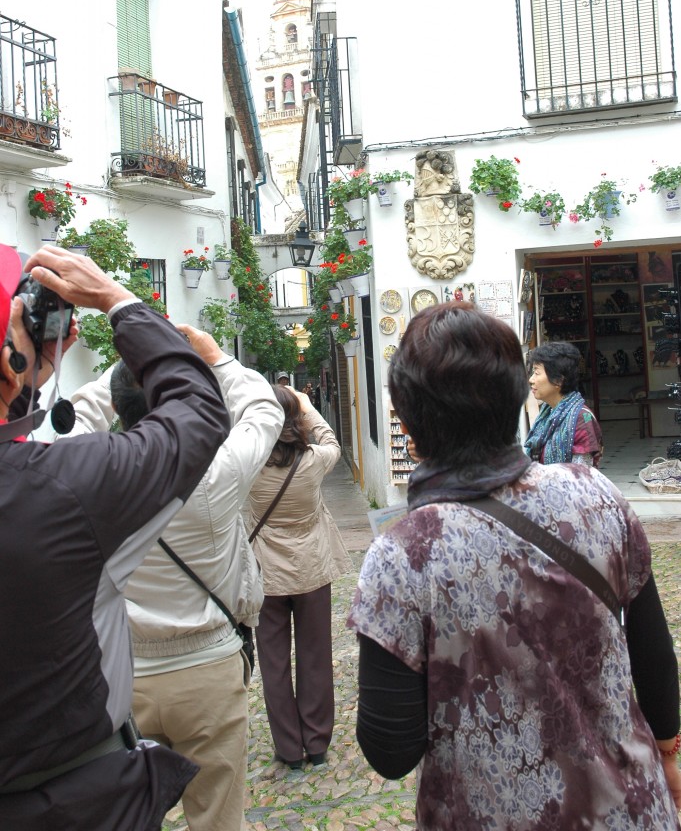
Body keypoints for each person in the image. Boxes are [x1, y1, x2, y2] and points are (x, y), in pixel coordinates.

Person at [348, 301, 681, 829]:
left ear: (408, 421)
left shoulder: (405, 552)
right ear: (516, 397)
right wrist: (667, 751)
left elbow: (390, 752)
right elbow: (654, 651)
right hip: (629, 808)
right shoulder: (597, 495)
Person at [0, 244, 231, 831]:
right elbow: (200, 413)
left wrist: (23, 384)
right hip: (75, 803)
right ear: (8, 361)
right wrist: (116, 300)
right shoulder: (62, 489)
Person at [67, 327, 283, 831]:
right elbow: (264, 411)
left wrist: (129, 356)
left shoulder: (89, 477)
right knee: (219, 817)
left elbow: (76, 420)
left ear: (120, 407)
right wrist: (213, 357)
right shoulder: (218, 468)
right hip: (208, 668)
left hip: (125, 676)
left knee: (133, 818)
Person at [248, 385, 351, 769]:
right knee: (315, 656)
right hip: (311, 568)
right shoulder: (314, 460)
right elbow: (333, 442)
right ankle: (318, 742)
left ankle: (289, 749)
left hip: (266, 574)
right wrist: (307, 407)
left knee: (273, 664)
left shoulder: (248, 464)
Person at [525, 340, 603, 466]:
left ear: (558, 380)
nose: (531, 380)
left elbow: (581, 473)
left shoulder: (582, 417)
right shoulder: (547, 412)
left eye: (537, 373)